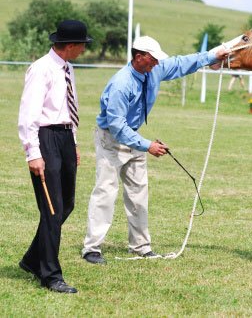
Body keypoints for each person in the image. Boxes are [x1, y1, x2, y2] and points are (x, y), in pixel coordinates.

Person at [82, 35, 230, 264]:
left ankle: (141, 246)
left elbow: (182, 63)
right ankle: (92, 248)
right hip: (111, 140)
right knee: (105, 192)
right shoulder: (121, 84)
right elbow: (117, 126)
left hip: (136, 138)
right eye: (152, 59)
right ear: (138, 57)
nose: (156, 64)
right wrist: (147, 145)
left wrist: (213, 55)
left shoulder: (154, 70)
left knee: (139, 195)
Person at [18, 20, 93, 293]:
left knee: (67, 204)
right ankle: (49, 274)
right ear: (71, 46)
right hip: (45, 138)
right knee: (52, 209)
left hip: (64, 137)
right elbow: (28, 115)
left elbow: (66, 109)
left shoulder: (68, 69)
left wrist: (73, 143)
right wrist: (33, 153)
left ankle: (31, 259)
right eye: (83, 45)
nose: (84, 50)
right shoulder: (41, 70)